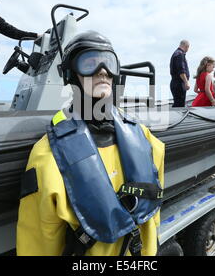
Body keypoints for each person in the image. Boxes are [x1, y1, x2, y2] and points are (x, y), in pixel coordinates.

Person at [16, 31, 165, 256]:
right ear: (70, 73)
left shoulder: (144, 138)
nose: (103, 71)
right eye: (90, 62)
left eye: (109, 63)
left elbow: (154, 210)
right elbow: (39, 238)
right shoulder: (48, 156)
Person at [170, 40, 190, 107]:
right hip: (179, 84)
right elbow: (181, 71)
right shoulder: (180, 54)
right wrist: (186, 82)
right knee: (179, 106)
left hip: (175, 83)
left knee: (178, 104)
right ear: (187, 46)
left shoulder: (176, 53)